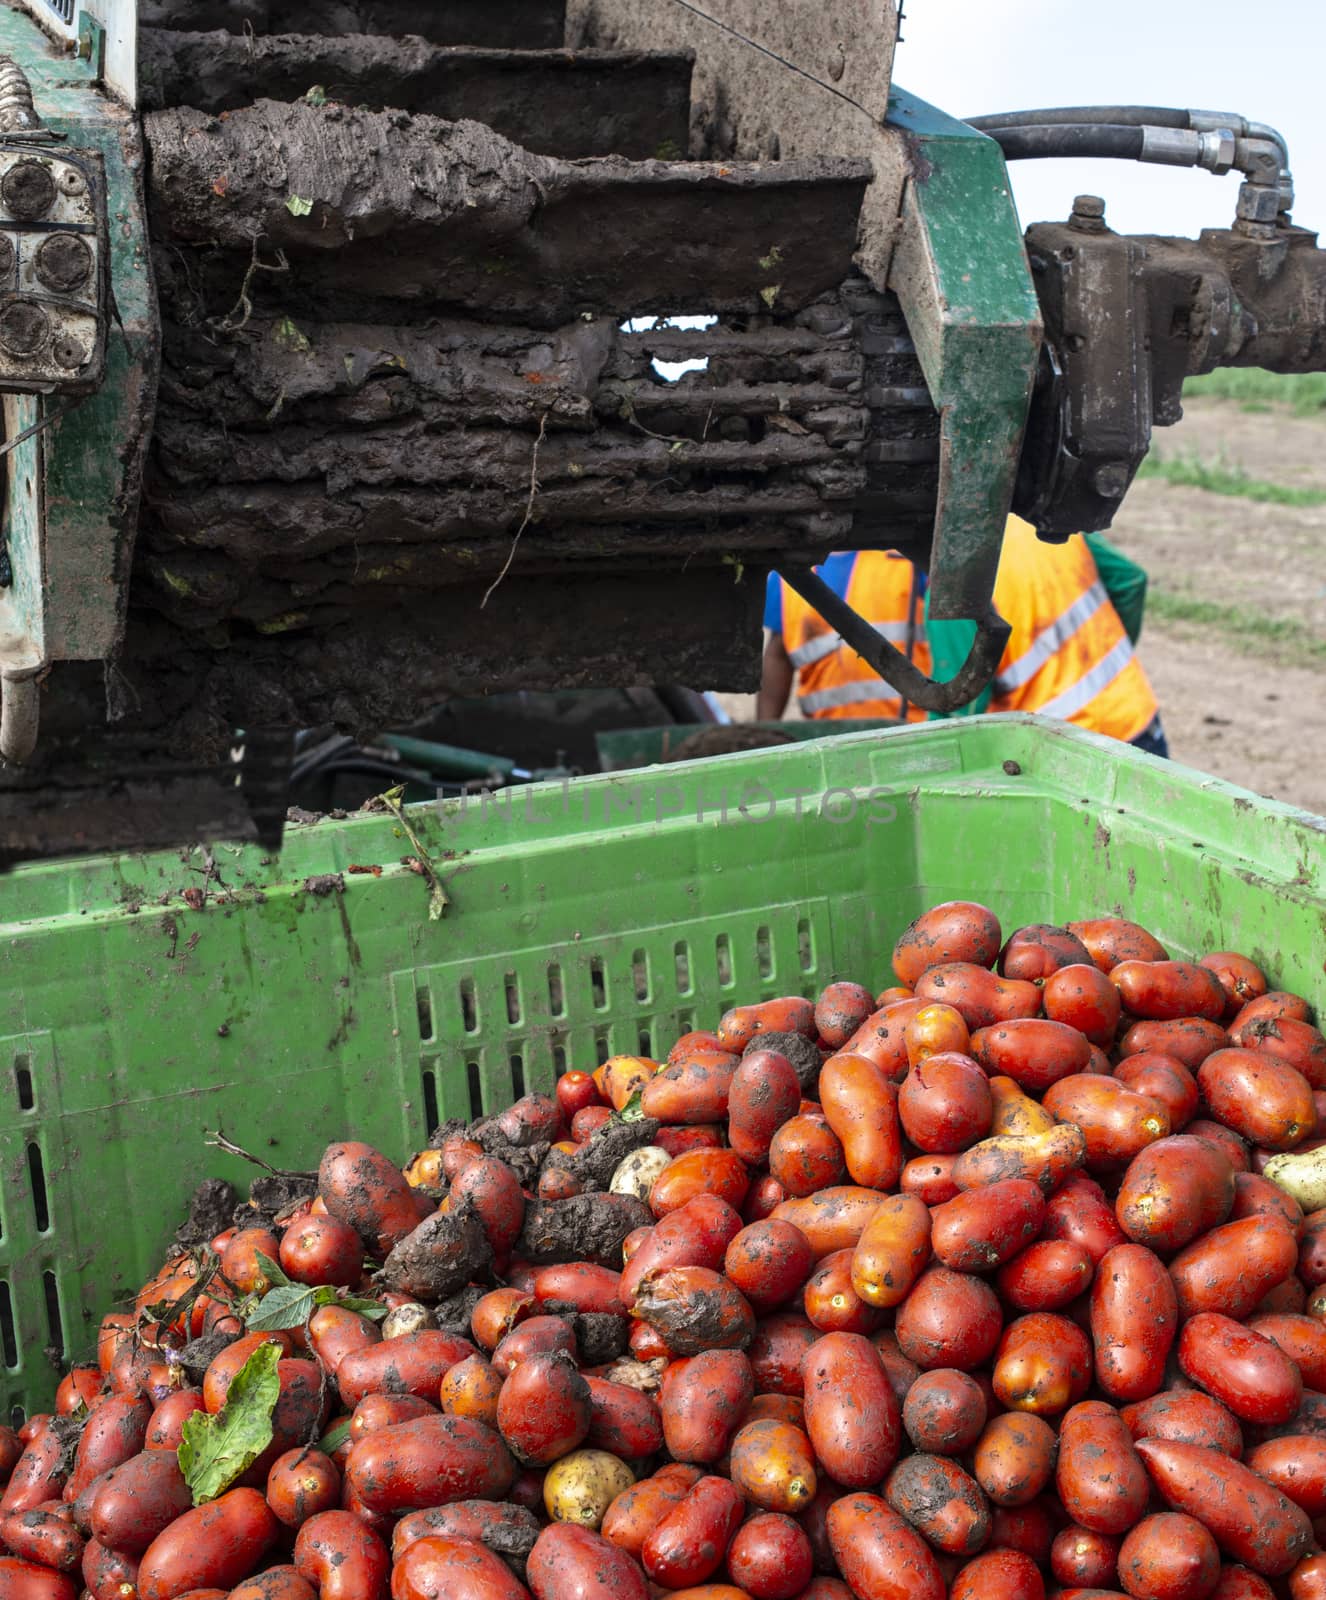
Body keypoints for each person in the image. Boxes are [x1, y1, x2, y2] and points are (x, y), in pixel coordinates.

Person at [925, 516, 1169, 756]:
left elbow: (959, 708)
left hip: (1067, 751)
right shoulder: (1046, 522)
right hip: (1132, 717)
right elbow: (1129, 580)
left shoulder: (955, 586)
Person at [759, 550, 931, 723]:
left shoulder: (907, 558)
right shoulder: (786, 575)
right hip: (826, 737)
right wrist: (762, 735)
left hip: (911, 731)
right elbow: (778, 656)